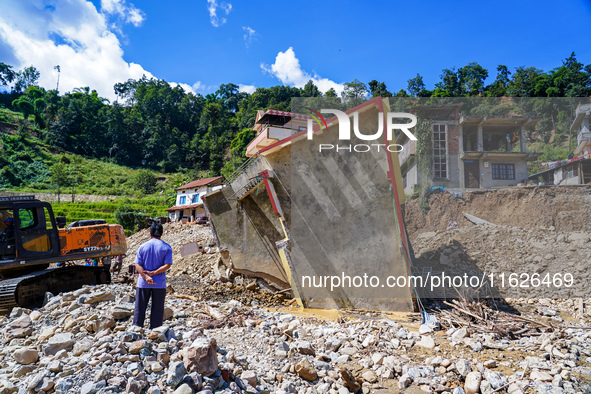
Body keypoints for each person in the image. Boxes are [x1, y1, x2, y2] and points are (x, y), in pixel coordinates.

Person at [133, 222, 172, 329]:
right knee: (157, 309)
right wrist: (154, 273)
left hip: (143, 283)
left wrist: (146, 277)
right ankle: (155, 330)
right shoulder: (167, 247)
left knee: (140, 308)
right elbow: (167, 265)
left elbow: (137, 264)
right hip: (159, 284)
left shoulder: (142, 246)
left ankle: (136, 329)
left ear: (150, 234)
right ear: (162, 234)